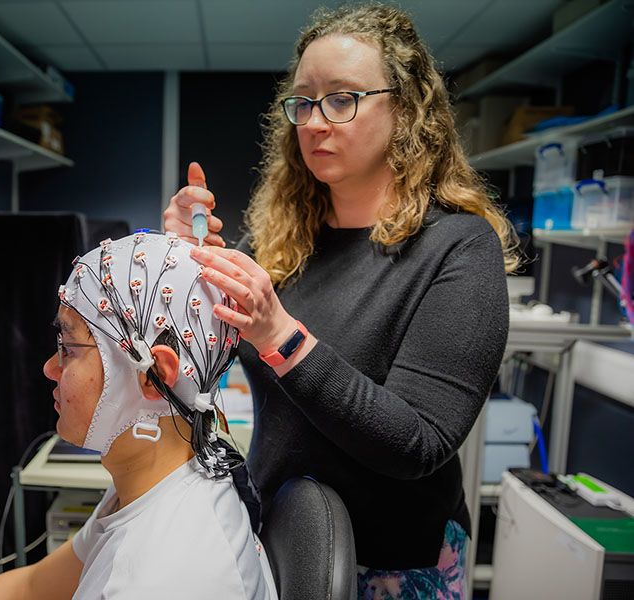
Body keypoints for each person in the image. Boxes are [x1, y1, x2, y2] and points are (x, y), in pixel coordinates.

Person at [164, 4, 516, 598]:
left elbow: (418, 442)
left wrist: (282, 336)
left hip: (396, 564)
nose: (315, 121)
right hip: (279, 536)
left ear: (405, 111)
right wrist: (179, 262)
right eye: (304, 101)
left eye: (342, 98)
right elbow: (198, 357)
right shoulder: (285, 238)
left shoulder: (458, 247)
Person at [0, 232, 277, 599]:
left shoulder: (160, 581)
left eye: (69, 349)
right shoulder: (155, 481)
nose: (49, 368)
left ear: (154, 375)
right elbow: (32, 587)